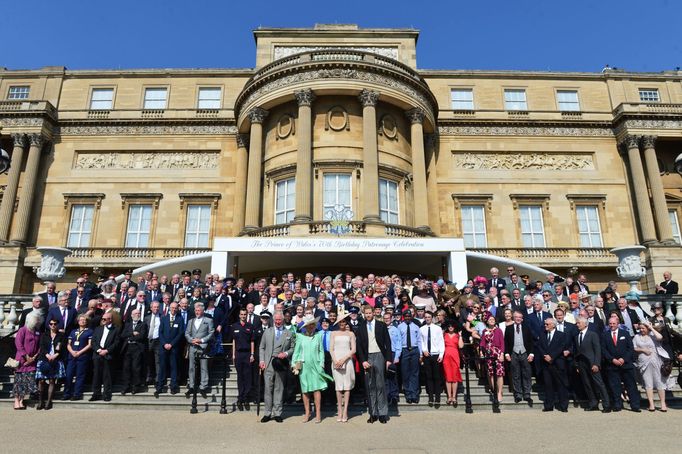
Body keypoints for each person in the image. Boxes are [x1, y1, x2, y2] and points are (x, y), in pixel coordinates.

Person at [292, 315, 332, 423]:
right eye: (309, 325)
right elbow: (296, 352)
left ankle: (318, 413)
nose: (311, 327)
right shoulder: (300, 337)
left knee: (316, 389)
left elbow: (321, 351)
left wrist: (321, 363)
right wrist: (294, 364)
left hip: (316, 365)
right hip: (303, 365)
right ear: (305, 326)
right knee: (305, 390)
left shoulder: (318, 336)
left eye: (312, 325)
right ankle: (307, 412)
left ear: (315, 326)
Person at [355, 305, 392, 424]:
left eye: (370, 313)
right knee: (370, 385)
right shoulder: (361, 328)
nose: (368, 315)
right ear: (363, 314)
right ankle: (373, 413)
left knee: (380, 384)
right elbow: (359, 346)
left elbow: (388, 342)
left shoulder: (381, 325)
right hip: (368, 357)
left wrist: (388, 359)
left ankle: (382, 413)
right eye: (366, 314)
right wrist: (363, 361)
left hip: (379, 355)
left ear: (373, 313)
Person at [259, 311, 295, 423]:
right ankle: (267, 413)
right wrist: (261, 360)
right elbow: (262, 347)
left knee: (279, 388)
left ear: (283, 320)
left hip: (281, 364)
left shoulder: (288, 333)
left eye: (280, 320)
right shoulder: (267, 332)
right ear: (273, 320)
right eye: (276, 320)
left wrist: (286, 354)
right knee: (268, 389)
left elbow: (293, 348)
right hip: (269, 363)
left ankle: (277, 413)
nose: (278, 322)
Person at [601, 316, 640, 412]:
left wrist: (624, 359)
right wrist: (612, 359)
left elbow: (630, 348)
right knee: (615, 387)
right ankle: (617, 405)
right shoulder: (604, 335)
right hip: (612, 365)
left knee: (631, 386)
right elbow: (603, 350)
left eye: (614, 323)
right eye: (610, 323)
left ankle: (635, 405)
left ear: (618, 324)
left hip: (626, 365)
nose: (612, 325)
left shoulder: (625, 334)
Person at [573, 316, 610, 412]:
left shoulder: (592, 334)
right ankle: (593, 403)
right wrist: (577, 365)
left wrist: (596, 364)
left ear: (585, 324)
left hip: (592, 363)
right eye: (577, 323)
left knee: (599, 384)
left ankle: (606, 404)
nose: (577, 325)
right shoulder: (577, 336)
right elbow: (577, 351)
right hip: (582, 364)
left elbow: (597, 350)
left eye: (579, 323)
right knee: (587, 384)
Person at [633, 321, 669, 412]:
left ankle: (663, 404)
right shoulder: (637, 337)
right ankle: (651, 404)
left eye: (643, 328)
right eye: (640, 328)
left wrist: (651, 327)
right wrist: (643, 349)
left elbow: (660, 337)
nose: (641, 330)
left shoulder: (652, 335)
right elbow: (633, 347)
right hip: (643, 362)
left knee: (659, 382)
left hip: (655, 361)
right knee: (648, 383)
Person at [536, 318, 569, 412]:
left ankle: (563, 406)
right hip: (546, 364)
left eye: (547, 324)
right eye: (545, 324)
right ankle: (549, 405)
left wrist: (552, 357)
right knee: (548, 385)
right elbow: (540, 346)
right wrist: (545, 356)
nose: (545, 326)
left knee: (561, 385)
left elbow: (561, 347)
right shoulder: (542, 334)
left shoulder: (561, 335)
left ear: (553, 325)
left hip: (557, 363)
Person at [35, 316, 67, 410]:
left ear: (57, 325)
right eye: (51, 324)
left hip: (56, 359)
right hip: (44, 358)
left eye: (55, 324)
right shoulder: (44, 335)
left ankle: (49, 401)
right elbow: (42, 346)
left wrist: (55, 355)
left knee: (52, 380)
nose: (53, 325)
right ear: (49, 325)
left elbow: (62, 348)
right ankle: (40, 401)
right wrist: (47, 355)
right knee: (41, 380)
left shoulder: (61, 336)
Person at [330, 312, 356, 422]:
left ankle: (345, 411)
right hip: (336, 361)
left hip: (347, 361)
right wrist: (336, 361)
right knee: (338, 387)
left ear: (346, 322)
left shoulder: (351, 334)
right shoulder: (333, 333)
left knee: (347, 386)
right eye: (340, 322)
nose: (342, 323)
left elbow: (353, 349)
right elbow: (331, 349)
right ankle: (339, 411)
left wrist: (344, 359)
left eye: (344, 321)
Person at [504, 311, 534, 406]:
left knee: (527, 373)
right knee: (515, 374)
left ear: (522, 318)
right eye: (516, 317)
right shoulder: (508, 328)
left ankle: (527, 394)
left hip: (525, 353)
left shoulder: (527, 328)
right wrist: (507, 353)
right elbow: (506, 342)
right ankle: (518, 394)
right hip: (513, 353)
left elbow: (531, 341)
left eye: (519, 317)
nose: (518, 319)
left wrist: (531, 354)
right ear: (513, 317)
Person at [12, 313, 42, 410]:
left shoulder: (37, 331)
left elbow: (39, 346)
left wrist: (34, 357)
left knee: (27, 381)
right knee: (19, 381)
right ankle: (16, 401)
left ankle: (22, 400)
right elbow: (18, 343)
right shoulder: (23, 330)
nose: (38, 321)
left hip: (32, 361)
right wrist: (26, 356)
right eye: (36, 320)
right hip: (21, 360)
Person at [185, 302, 214, 399]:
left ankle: (203, 386)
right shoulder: (191, 321)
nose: (197, 312)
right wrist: (192, 340)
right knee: (191, 367)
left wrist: (201, 340)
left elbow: (211, 333)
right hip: (193, 346)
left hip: (203, 347)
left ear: (203, 311)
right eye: (196, 310)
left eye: (199, 310)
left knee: (203, 367)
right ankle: (192, 386)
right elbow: (187, 333)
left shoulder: (208, 320)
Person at [90, 312, 120, 402]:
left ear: (110, 320)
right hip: (97, 354)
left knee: (107, 376)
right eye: (102, 319)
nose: (102, 320)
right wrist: (98, 350)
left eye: (104, 319)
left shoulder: (116, 330)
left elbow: (116, 343)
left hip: (108, 354)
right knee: (96, 375)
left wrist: (107, 351)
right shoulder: (98, 329)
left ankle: (107, 394)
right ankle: (96, 393)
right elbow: (93, 341)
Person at [156, 302, 184, 397]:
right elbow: (160, 332)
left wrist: (171, 344)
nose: (173, 309)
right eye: (172, 308)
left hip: (174, 347)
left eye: (175, 308)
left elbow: (180, 333)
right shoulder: (164, 318)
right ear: (169, 308)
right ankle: (160, 386)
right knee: (162, 367)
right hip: (163, 347)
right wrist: (164, 344)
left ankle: (173, 387)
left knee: (174, 367)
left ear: (177, 309)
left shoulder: (180, 319)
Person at [63, 314, 93, 401]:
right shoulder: (73, 331)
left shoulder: (89, 331)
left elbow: (90, 344)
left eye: (84, 320)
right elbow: (68, 343)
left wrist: (79, 352)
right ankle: (66, 393)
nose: (82, 321)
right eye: (81, 320)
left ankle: (77, 394)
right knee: (69, 375)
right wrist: (72, 351)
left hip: (82, 356)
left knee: (80, 375)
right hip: (72, 356)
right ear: (78, 321)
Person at [230, 307, 255, 409]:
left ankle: (245, 398)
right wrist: (233, 354)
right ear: (239, 315)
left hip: (247, 354)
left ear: (247, 315)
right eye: (242, 314)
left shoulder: (250, 326)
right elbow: (234, 341)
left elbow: (252, 341)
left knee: (247, 377)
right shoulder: (235, 326)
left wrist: (252, 354)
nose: (243, 316)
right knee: (240, 377)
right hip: (238, 354)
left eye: (245, 314)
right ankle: (240, 397)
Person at [419, 311, 445, 407]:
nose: (427, 318)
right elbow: (421, 341)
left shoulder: (437, 328)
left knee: (437, 377)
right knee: (428, 377)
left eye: (429, 317)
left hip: (435, 354)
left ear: (432, 318)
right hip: (427, 355)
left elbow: (441, 341)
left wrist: (441, 355)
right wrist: (423, 350)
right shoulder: (422, 329)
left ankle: (437, 398)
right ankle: (430, 397)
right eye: (426, 317)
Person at [120, 308, 148, 395]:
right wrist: (132, 333)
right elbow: (123, 335)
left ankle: (135, 386)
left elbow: (142, 336)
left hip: (137, 348)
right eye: (135, 313)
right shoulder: (127, 324)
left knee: (136, 367)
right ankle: (126, 386)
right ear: (132, 315)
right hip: (128, 347)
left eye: (139, 313)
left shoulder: (143, 324)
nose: (137, 315)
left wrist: (130, 337)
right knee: (126, 368)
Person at [396, 309, 421, 404]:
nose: (407, 318)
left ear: (411, 317)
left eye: (409, 316)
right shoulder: (400, 327)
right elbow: (398, 341)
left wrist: (420, 353)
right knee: (405, 373)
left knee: (414, 373)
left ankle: (414, 394)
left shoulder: (416, 327)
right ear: (403, 317)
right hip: (404, 350)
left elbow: (419, 340)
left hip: (414, 350)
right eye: (405, 316)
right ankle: (408, 394)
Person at [479, 311, 505, 402]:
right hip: (489, 353)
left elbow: (502, 343)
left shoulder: (498, 330)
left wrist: (502, 354)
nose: (492, 321)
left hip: (497, 353)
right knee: (491, 373)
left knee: (499, 373)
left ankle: (499, 392)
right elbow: (482, 343)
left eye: (493, 319)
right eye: (490, 319)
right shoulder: (484, 331)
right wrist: (481, 353)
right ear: (487, 321)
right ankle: (494, 391)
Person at [442, 321, 463, 406]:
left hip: (455, 356)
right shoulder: (444, 335)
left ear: (455, 327)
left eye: (452, 326)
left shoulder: (457, 336)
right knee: (448, 377)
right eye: (449, 326)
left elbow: (461, 346)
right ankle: (449, 396)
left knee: (454, 377)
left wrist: (461, 336)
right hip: (446, 356)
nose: (450, 327)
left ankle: (454, 397)